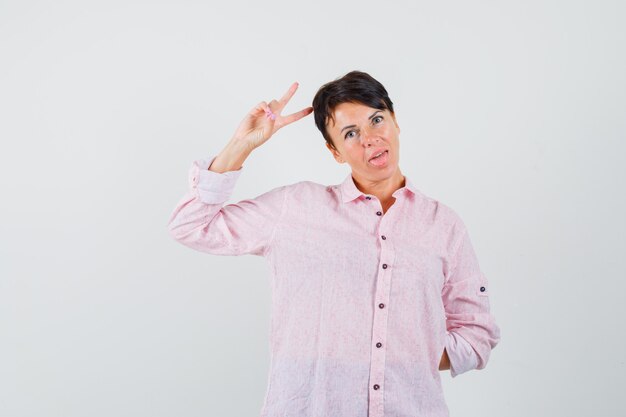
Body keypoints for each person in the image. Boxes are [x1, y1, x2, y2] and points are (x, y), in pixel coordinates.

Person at [167, 70, 500, 417]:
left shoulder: (443, 225)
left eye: (376, 120)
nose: (370, 139)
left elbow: (477, 334)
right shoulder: (295, 209)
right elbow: (190, 226)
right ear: (335, 151)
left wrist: (408, 351)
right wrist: (242, 144)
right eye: (351, 133)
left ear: (395, 122)